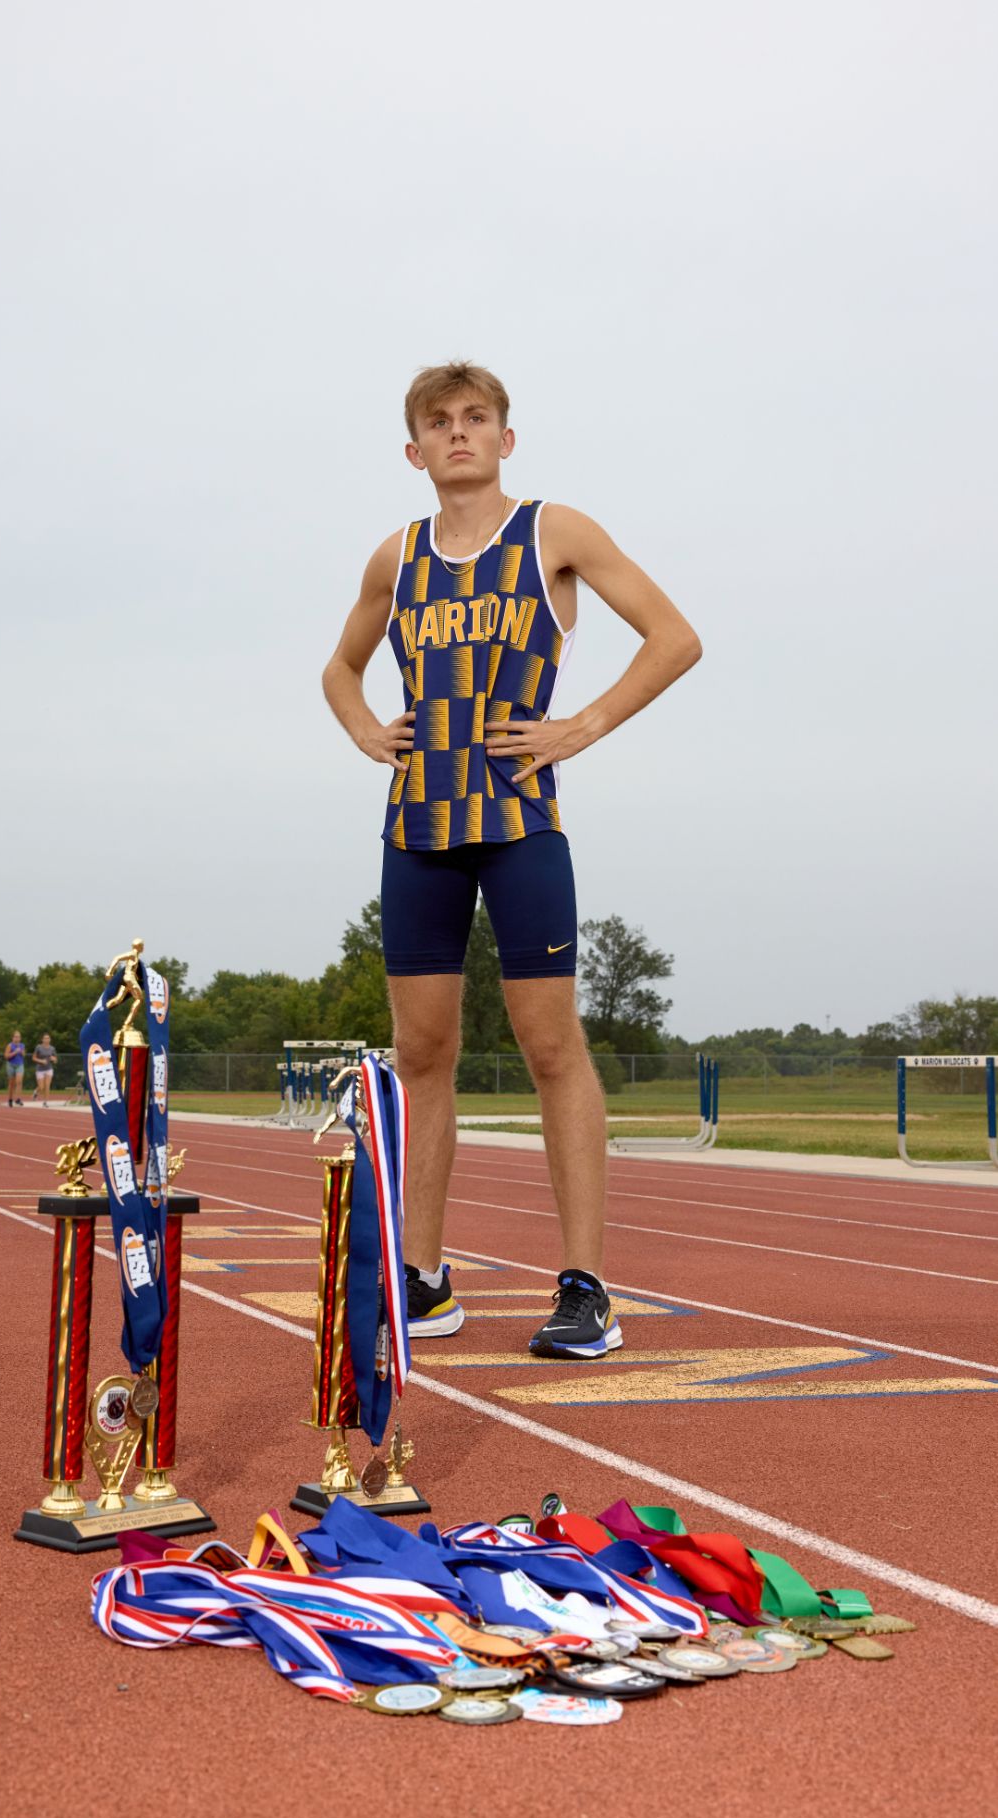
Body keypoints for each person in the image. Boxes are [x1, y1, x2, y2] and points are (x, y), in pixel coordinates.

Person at [321, 361, 701, 1359]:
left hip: (523, 822)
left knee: (548, 1046)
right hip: (419, 830)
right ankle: (426, 1277)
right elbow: (338, 666)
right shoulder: (395, 558)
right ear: (414, 449)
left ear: (505, 438)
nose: (459, 434)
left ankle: (585, 1287)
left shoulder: (553, 532)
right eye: (439, 422)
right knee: (423, 1055)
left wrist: (582, 724)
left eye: (477, 418)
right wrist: (365, 727)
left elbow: (675, 636)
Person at [32, 1032, 57, 1104]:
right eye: (45, 1038)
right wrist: (41, 1061)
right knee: (41, 1087)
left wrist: (54, 1059)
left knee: (47, 1085)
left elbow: (55, 1059)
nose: (47, 1040)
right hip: (40, 1069)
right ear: (42, 1040)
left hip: (49, 1068)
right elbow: (33, 1058)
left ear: (50, 1039)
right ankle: (36, 1092)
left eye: (48, 1038)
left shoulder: (52, 1048)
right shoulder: (38, 1047)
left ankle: (45, 1102)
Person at [4, 1029, 26, 1106]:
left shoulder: (22, 1045)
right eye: (16, 1037)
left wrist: (21, 1051)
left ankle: (18, 1099)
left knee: (19, 1082)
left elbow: (23, 1055)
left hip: (20, 1065)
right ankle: (10, 1099)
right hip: (11, 1065)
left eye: (18, 1037)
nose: (17, 1038)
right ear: (12, 1038)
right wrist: (14, 1052)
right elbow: (6, 1056)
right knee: (11, 1084)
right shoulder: (9, 1045)